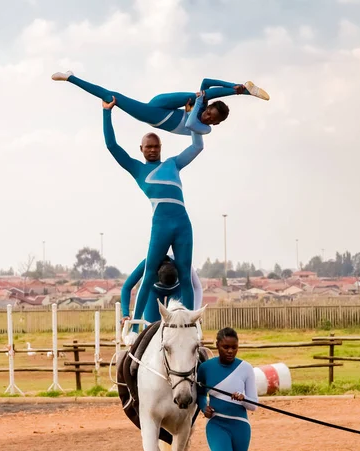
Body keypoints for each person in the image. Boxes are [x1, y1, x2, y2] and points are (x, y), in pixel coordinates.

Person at [102, 95, 204, 345]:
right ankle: (135, 329)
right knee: (148, 276)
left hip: (183, 225)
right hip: (161, 226)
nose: (152, 150)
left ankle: (189, 326)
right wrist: (107, 112)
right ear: (141, 149)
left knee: (186, 275)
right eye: (148, 147)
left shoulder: (173, 164)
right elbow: (112, 147)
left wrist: (193, 120)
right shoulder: (137, 169)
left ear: (161, 149)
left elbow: (197, 147)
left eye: (156, 147)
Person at [51, 72, 270, 135]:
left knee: (112, 96)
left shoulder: (204, 129)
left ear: (215, 124)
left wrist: (194, 110)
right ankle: (241, 89)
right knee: (201, 94)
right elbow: (206, 82)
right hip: (162, 106)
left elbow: (192, 123)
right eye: (209, 113)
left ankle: (70, 77)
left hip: (157, 113)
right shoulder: (200, 105)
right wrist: (231, 85)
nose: (207, 117)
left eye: (212, 119)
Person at [121, 255, 203, 326]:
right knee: (151, 325)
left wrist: (194, 313)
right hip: (153, 291)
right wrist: (125, 314)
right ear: (156, 275)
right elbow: (126, 287)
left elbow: (197, 287)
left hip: (176, 291)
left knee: (178, 323)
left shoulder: (183, 264)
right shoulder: (148, 264)